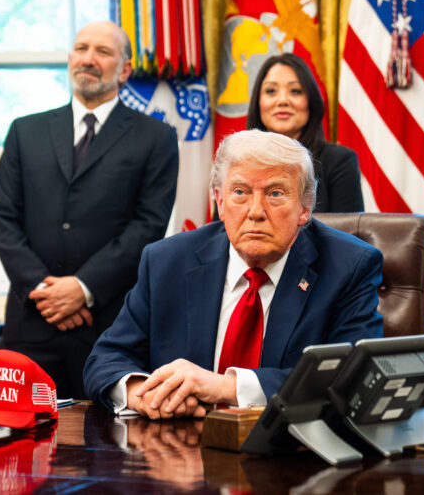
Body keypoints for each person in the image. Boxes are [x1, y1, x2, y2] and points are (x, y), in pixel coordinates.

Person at [83, 130, 384, 419]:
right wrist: (141, 393)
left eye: (275, 193)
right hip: (177, 456)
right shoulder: (167, 261)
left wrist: (224, 387)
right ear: (220, 201)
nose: (256, 211)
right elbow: (106, 359)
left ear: (304, 208)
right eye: (240, 192)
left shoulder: (349, 267)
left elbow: (352, 379)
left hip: (290, 456)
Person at [0, 21, 179, 400]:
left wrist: (82, 288)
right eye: (81, 48)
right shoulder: (25, 131)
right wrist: (46, 290)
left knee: (109, 447)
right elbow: (4, 218)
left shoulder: (156, 137)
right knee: (23, 443)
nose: (88, 59)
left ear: (124, 69)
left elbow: (149, 224)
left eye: (103, 52)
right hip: (32, 321)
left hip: (109, 324)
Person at [247, 53, 364, 213]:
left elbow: (348, 233)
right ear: (257, 103)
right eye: (271, 91)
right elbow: (220, 233)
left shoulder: (340, 162)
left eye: (295, 91)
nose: (282, 100)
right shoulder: (239, 161)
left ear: (311, 101)